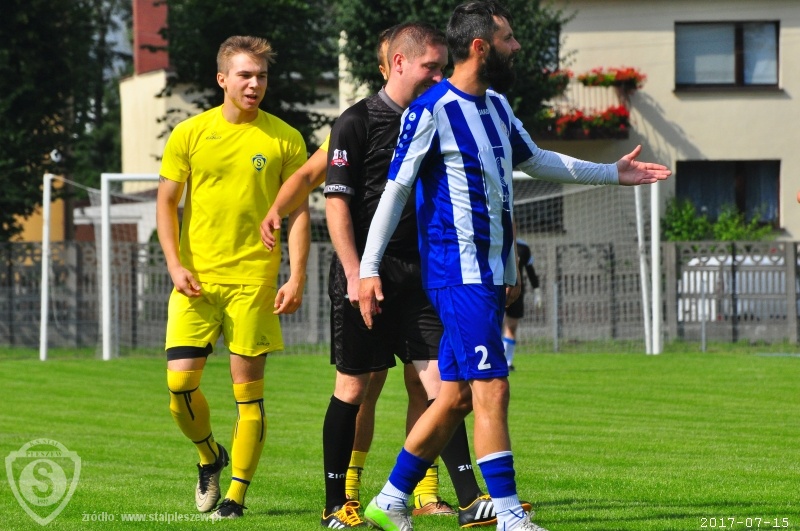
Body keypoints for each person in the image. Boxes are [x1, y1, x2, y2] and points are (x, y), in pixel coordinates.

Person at [358, 2, 672, 530]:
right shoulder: (431, 109)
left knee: (456, 397)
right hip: (458, 272)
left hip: (488, 273)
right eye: (509, 38)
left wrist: (611, 173)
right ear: (480, 46)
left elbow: (536, 160)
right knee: (493, 388)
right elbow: (396, 190)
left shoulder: (498, 107)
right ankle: (508, 515)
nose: (517, 47)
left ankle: (389, 499)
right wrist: (368, 268)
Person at [264, 22, 518, 529]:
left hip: (423, 275)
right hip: (366, 274)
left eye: (443, 68)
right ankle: (337, 504)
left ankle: (466, 499)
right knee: (354, 387)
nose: (440, 76)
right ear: (398, 64)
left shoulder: (442, 113)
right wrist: (357, 271)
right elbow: (333, 199)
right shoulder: (356, 122)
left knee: (444, 384)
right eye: (431, 68)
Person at [156, 35, 310, 521]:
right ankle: (209, 456)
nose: (254, 84)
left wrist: (296, 275)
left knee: (249, 397)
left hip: (253, 283)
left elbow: (299, 212)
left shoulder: (285, 138)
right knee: (179, 386)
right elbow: (166, 202)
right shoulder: (190, 133)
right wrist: (174, 264)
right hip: (195, 282)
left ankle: (236, 498)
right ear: (222, 79)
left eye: (261, 75)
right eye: (245, 75)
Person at [502, 238, 539, 371]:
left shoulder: (523, 247)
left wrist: (537, 291)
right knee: (492, 326)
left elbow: (530, 270)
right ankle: (493, 360)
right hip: (495, 290)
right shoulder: (494, 239)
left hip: (515, 293)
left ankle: (507, 362)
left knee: (511, 327)